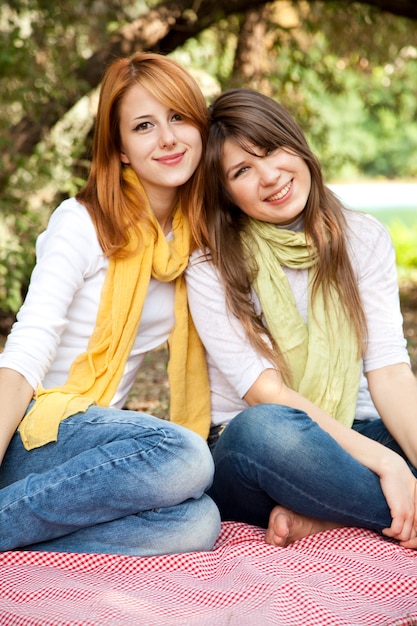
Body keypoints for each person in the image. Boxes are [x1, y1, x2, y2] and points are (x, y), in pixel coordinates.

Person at [0, 52, 221, 556]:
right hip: (31, 427)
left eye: (178, 117)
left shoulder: (195, 241)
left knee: (198, 523)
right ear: (119, 148)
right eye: (144, 125)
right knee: (184, 454)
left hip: (95, 444)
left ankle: (14, 525)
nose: (167, 138)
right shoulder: (81, 223)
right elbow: (27, 347)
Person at [185, 88, 417, 550]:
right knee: (264, 428)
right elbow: (265, 392)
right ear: (226, 192)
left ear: (297, 144)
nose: (269, 177)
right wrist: (388, 465)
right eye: (242, 170)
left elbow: (390, 372)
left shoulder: (362, 238)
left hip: (356, 428)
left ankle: (327, 514)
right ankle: (379, 505)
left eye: (271, 151)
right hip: (266, 452)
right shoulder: (211, 266)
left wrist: (395, 452)